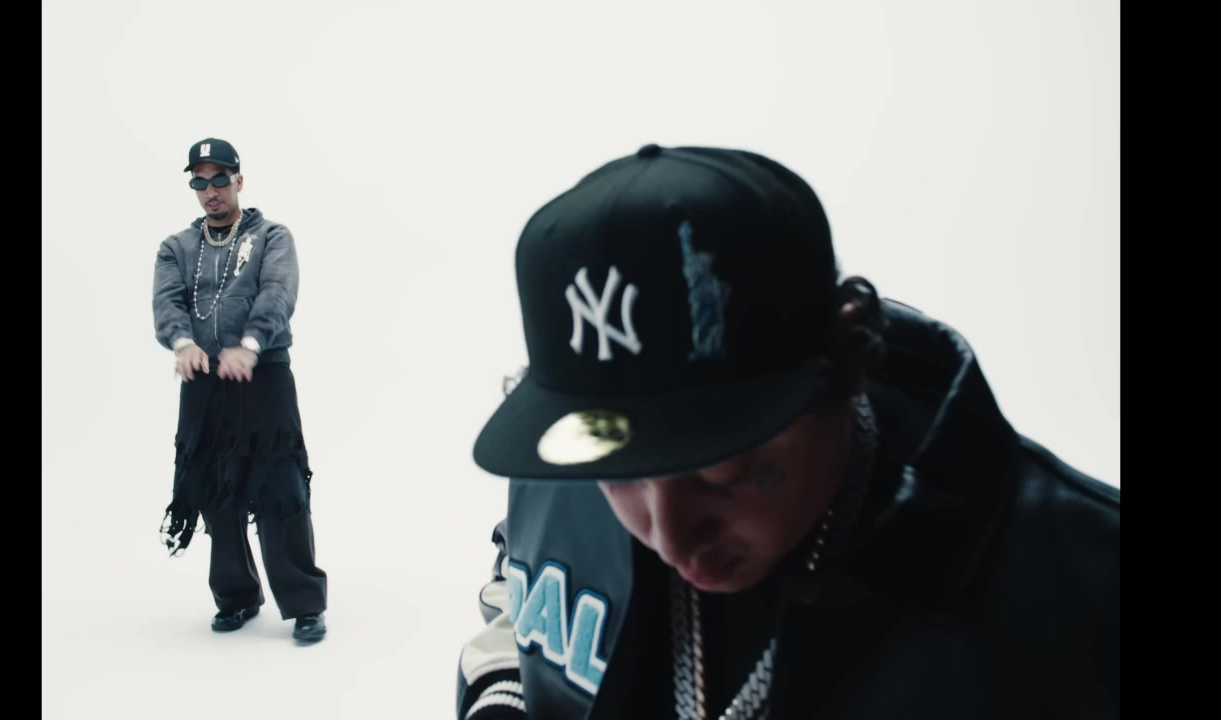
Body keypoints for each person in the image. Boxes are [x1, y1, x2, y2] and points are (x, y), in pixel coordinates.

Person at [455, 144, 1119, 718]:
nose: (671, 534)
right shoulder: (566, 459)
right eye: (618, 472)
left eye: (717, 464)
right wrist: (502, 701)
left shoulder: (1082, 594)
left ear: (845, 371)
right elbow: (525, 595)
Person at [153, 137, 328, 643]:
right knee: (215, 490)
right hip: (203, 382)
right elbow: (167, 302)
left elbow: (278, 290)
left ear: (238, 180)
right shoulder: (176, 248)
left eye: (219, 179)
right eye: (199, 181)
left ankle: (304, 604)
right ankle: (236, 597)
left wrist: (251, 344)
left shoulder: (271, 236)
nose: (210, 190)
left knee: (281, 490)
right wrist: (182, 342)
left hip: (263, 374)